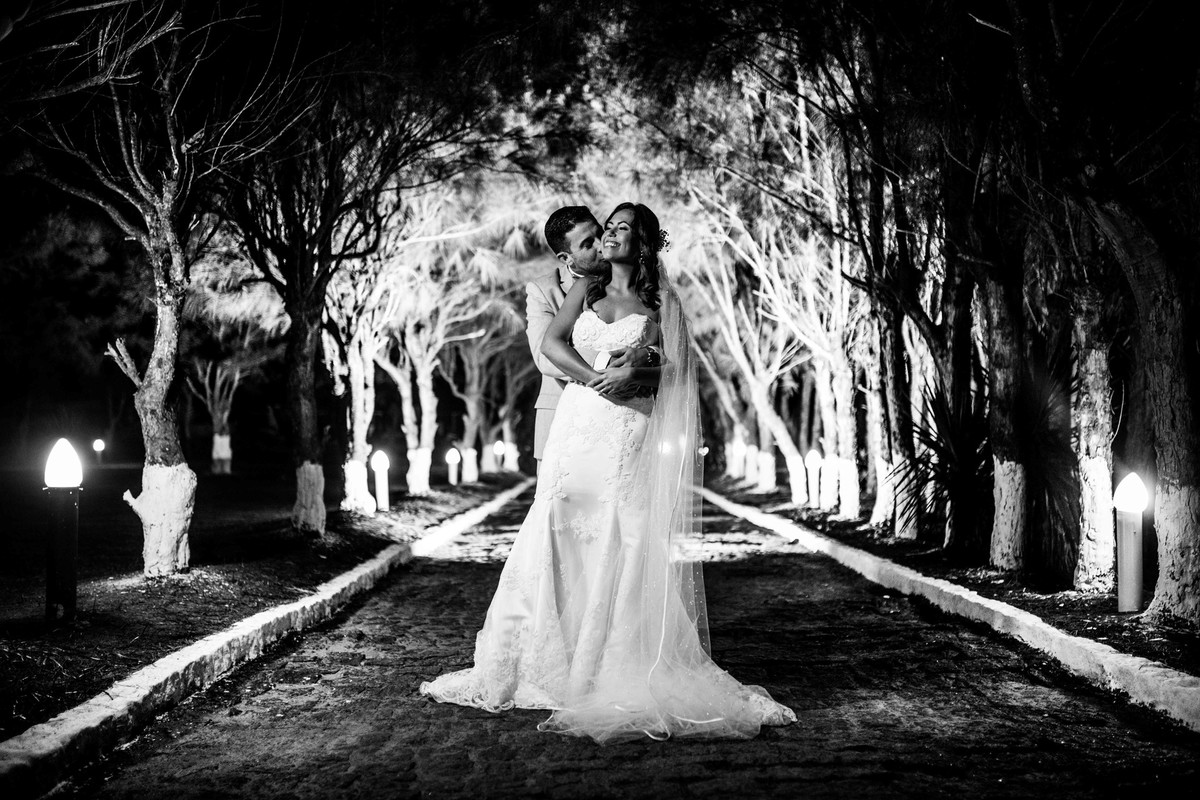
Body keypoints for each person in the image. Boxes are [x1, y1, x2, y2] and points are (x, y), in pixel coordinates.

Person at [420, 202, 796, 743]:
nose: (609, 236)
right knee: (557, 527)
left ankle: (610, 661)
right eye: (606, 229)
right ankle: (541, 657)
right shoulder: (585, 289)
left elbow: (677, 369)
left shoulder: (661, 300)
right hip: (577, 422)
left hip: (626, 428)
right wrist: (596, 379)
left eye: (619, 229)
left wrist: (639, 369)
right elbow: (551, 345)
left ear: (641, 243)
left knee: (620, 533)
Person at [525, 206, 660, 467]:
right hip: (564, 416)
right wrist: (607, 373)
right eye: (588, 244)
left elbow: (669, 349)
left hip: (629, 419)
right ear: (566, 258)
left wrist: (648, 355)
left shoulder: (646, 288)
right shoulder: (543, 289)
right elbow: (546, 356)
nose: (601, 244)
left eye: (600, 232)